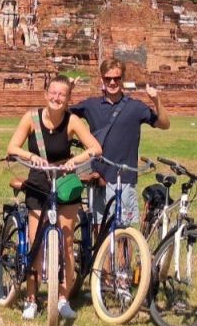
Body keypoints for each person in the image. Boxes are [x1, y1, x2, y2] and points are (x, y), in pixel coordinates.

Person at [6, 75, 101, 322]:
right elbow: (12, 148)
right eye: (53, 93)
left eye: (63, 95)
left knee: (67, 243)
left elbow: (95, 148)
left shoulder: (72, 121)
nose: (57, 98)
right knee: (35, 243)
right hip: (39, 183)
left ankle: (62, 299)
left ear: (69, 98)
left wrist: (75, 161)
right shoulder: (31, 118)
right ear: (46, 94)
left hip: (64, 183)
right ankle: (31, 299)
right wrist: (31, 156)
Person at [70, 58, 170, 228]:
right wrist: (68, 91)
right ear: (102, 79)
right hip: (98, 177)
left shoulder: (135, 107)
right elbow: (60, 115)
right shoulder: (90, 105)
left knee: (124, 233)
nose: (112, 82)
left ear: (122, 79)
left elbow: (164, 124)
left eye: (117, 78)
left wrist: (156, 100)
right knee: (99, 229)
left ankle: (125, 256)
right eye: (108, 78)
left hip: (124, 178)